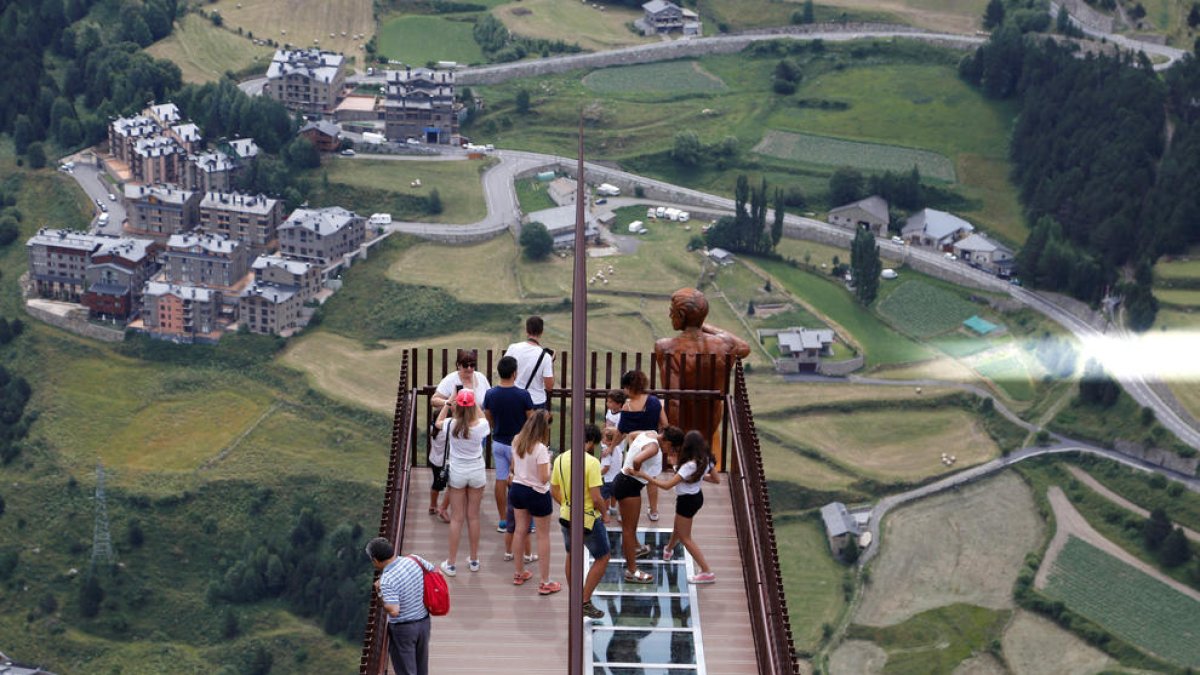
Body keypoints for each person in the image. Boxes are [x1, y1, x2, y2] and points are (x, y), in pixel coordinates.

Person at [654, 288, 749, 455]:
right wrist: (698, 323)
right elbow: (744, 347)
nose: (670, 316)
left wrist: (674, 442)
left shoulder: (666, 347)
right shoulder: (725, 346)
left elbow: (674, 400)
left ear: (681, 315)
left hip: (681, 426)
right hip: (708, 424)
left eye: (672, 312)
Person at [633, 430, 720, 584]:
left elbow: (666, 486)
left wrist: (644, 475)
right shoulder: (706, 459)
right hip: (696, 498)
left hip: (686, 501)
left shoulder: (688, 465)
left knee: (686, 538)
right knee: (679, 528)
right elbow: (716, 479)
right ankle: (668, 549)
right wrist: (696, 477)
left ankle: (706, 571)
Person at [550, 423, 610, 619]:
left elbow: (554, 490)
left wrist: (567, 505)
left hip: (566, 516)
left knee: (571, 554)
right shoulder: (591, 463)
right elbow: (595, 497)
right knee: (602, 557)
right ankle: (584, 600)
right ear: (591, 442)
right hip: (589, 519)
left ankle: (574, 595)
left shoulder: (560, 459)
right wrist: (605, 512)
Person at [613, 425, 684, 583]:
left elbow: (631, 435)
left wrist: (630, 458)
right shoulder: (654, 447)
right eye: (672, 448)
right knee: (629, 530)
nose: (670, 452)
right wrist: (638, 470)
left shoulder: (650, 433)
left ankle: (635, 550)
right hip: (629, 485)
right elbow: (638, 460)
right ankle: (632, 571)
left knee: (628, 528)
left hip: (625, 482)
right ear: (667, 441)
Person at [435, 388, 490, 577]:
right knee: (473, 517)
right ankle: (474, 560)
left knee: (457, 518)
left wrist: (448, 403)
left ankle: (451, 563)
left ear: (457, 405)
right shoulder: (481, 426)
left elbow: (437, 423)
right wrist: (473, 402)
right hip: (476, 470)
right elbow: (484, 419)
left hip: (458, 472)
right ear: (473, 405)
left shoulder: (451, 424)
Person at [508, 410, 561, 595]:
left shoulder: (516, 440)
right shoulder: (541, 449)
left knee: (520, 530)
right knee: (542, 536)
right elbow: (544, 478)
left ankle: (519, 572)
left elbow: (513, 467)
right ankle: (545, 581)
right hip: (537, 493)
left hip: (517, 489)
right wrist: (551, 463)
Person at [366, 537, 434, 675]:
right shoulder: (413, 559)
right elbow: (433, 571)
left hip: (404, 629)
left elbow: (394, 610)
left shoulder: (388, 579)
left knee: (407, 671)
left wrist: (380, 593)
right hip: (424, 622)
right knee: (422, 669)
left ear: (376, 560)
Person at [482, 356, 534, 534]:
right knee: (524, 481)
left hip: (498, 441)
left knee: (501, 479)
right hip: (519, 445)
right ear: (514, 373)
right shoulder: (523, 395)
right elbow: (531, 421)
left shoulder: (490, 394)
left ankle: (503, 520)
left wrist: (496, 427)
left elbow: (487, 416)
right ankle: (527, 520)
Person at [615, 370, 668, 522]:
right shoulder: (654, 402)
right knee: (652, 478)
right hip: (652, 447)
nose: (624, 391)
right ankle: (654, 510)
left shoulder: (627, 407)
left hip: (634, 448)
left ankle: (622, 510)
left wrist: (612, 447)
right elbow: (665, 424)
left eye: (625, 387)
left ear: (630, 387)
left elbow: (621, 431)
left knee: (627, 478)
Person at [504, 316, 555, 410]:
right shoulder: (545, 357)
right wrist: (551, 363)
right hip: (536, 402)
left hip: (514, 399)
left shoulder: (513, 348)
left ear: (526, 330)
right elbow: (549, 386)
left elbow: (503, 372)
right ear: (541, 332)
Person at [427, 413, 450, 523]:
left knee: (435, 483)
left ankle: (433, 505)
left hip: (433, 459)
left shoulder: (432, 428)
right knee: (450, 484)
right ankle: (442, 508)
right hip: (443, 462)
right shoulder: (446, 432)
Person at [599, 426, 623, 517]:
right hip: (617, 478)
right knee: (614, 495)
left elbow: (606, 467)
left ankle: (606, 510)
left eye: (603, 438)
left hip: (608, 479)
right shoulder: (618, 449)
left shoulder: (606, 452)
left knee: (605, 496)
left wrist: (598, 474)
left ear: (609, 442)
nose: (602, 441)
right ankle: (613, 508)